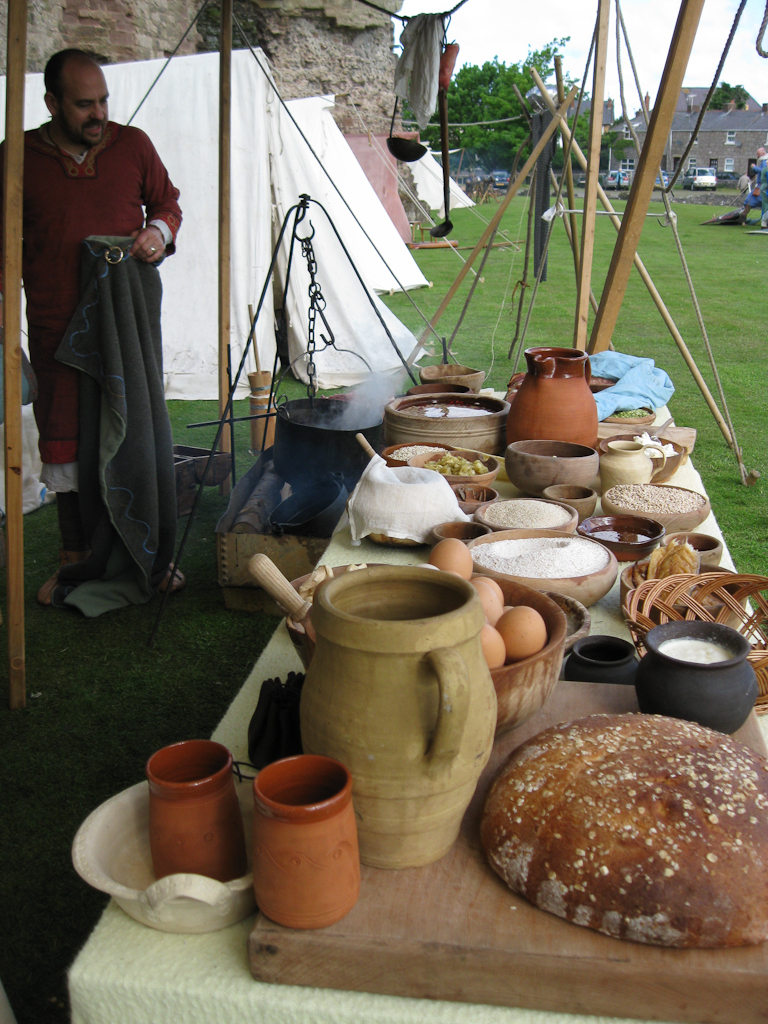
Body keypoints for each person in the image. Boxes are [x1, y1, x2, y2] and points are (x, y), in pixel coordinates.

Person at [0, 49, 183, 604]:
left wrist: (158, 233)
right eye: (84, 105)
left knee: (135, 433)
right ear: (52, 102)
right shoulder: (17, 157)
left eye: (103, 100)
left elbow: (168, 204)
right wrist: (10, 346)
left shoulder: (134, 146)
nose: (98, 113)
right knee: (69, 446)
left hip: (128, 332)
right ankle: (75, 565)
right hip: (58, 336)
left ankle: (148, 558)